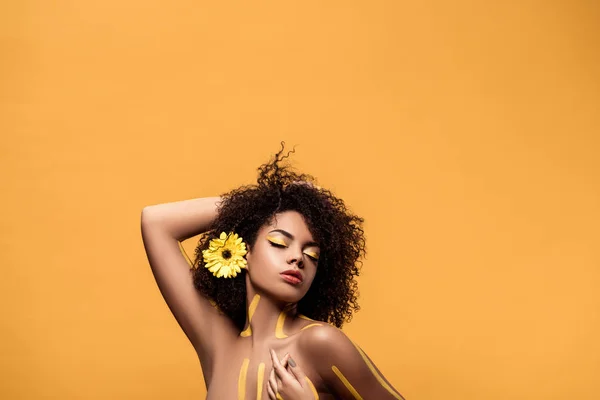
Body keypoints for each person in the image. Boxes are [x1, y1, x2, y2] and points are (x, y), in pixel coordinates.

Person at [141, 144, 406, 399]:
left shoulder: (320, 343)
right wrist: (267, 203)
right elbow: (156, 222)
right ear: (245, 252)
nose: (297, 258)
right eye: (279, 243)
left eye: (312, 255)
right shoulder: (218, 343)